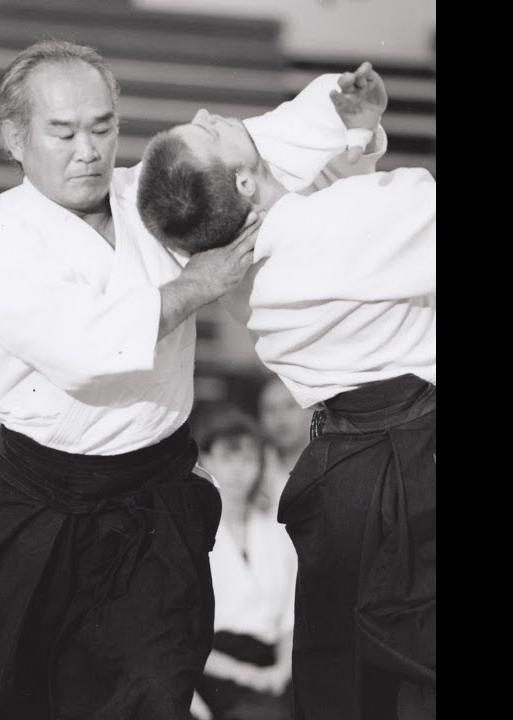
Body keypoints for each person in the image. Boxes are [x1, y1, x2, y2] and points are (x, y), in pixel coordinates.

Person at [0, 40, 384, 720]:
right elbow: (84, 351)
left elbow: (250, 148)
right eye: (63, 132)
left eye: (103, 125)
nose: (88, 149)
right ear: (14, 137)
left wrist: (336, 110)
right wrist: (192, 285)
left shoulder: (149, 195)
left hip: (153, 499)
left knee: (152, 694)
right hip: (40, 503)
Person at [136, 63, 436, 720]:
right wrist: (352, 145)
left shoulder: (249, 266)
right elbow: (405, 209)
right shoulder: (336, 225)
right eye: (207, 132)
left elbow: (332, 217)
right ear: (243, 180)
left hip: (343, 472)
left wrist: (355, 138)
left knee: (355, 677)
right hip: (413, 458)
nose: (211, 116)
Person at [192, 404, 297, 720]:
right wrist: (246, 675)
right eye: (227, 457)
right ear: (205, 461)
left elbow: (291, 616)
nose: (238, 470)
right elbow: (185, 634)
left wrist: (281, 670)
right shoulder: (193, 532)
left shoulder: (274, 529)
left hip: (275, 661)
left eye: (247, 459)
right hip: (215, 664)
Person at [256, 377, 311, 518]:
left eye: (290, 406)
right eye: (270, 410)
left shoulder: (332, 467)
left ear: (311, 411)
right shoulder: (254, 470)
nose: (280, 419)